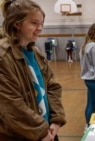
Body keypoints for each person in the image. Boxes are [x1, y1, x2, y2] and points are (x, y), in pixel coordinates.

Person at [0, 0, 66, 140]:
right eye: (34, 23)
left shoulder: (36, 53)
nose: (40, 28)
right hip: (23, 136)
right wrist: (42, 132)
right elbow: (11, 105)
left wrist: (55, 120)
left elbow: (53, 87)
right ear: (17, 24)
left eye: (41, 23)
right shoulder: (4, 57)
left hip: (47, 131)